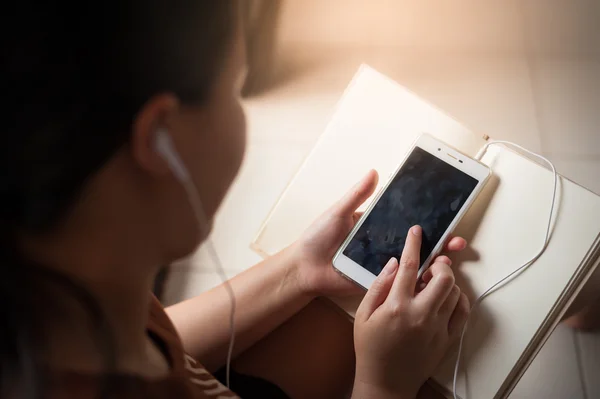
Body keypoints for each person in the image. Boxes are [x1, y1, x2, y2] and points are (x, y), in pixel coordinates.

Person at [1, 1, 476, 398]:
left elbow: (162, 335)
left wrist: (297, 270)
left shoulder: (80, 282)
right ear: (160, 137)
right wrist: (383, 385)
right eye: (234, 88)